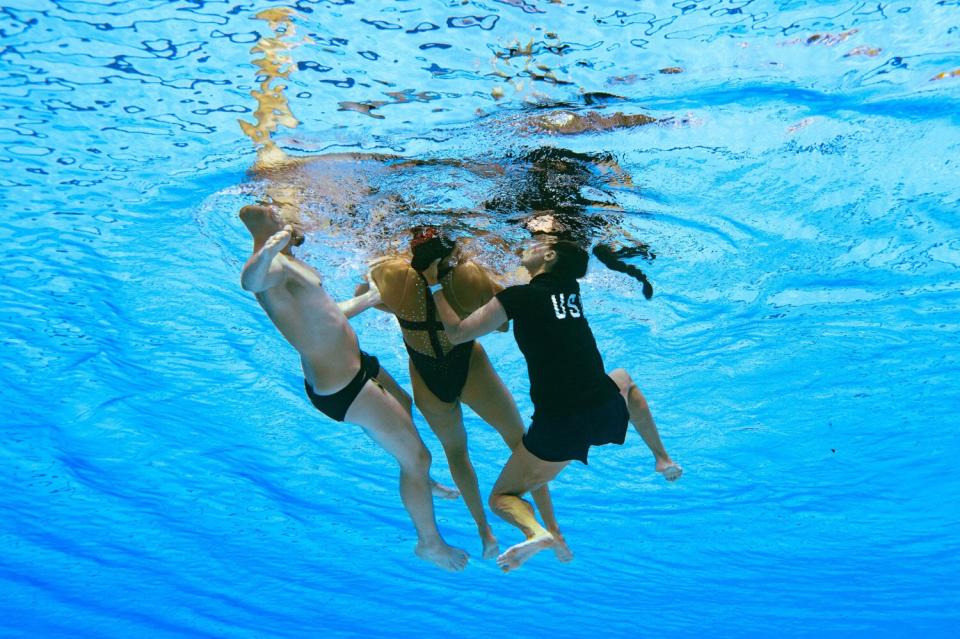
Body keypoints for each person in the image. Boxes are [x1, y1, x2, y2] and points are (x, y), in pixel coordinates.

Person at [237, 204, 469, 572]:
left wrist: (371, 298)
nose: (283, 213)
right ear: (266, 224)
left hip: (356, 365)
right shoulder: (272, 266)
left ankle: (422, 481)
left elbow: (327, 314)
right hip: (344, 386)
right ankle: (429, 543)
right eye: (275, 213)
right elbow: (249, 281)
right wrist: (267, 248)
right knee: (417, 458)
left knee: (404, 402)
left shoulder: (286, 260)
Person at [431, 236, 682, 572]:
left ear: (549, 256)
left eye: (537, 244)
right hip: (602, 409)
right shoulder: (570, 294)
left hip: (559, 429)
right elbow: (534, 294)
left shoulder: (520, 297)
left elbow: (459, 333)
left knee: (501, 498)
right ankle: (662, 459)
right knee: (623, 378)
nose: (528, 246)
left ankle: (536, 532)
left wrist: (437, 296)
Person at [361, 228, 571, 562]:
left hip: (427, 374)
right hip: (469, 365)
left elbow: (367, 296)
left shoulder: (393, 275)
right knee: (520, 441)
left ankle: (484, 532)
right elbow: (502, 324)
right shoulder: (466, 277)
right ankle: (549, 527)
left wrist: (402, 309)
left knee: (456, 453)